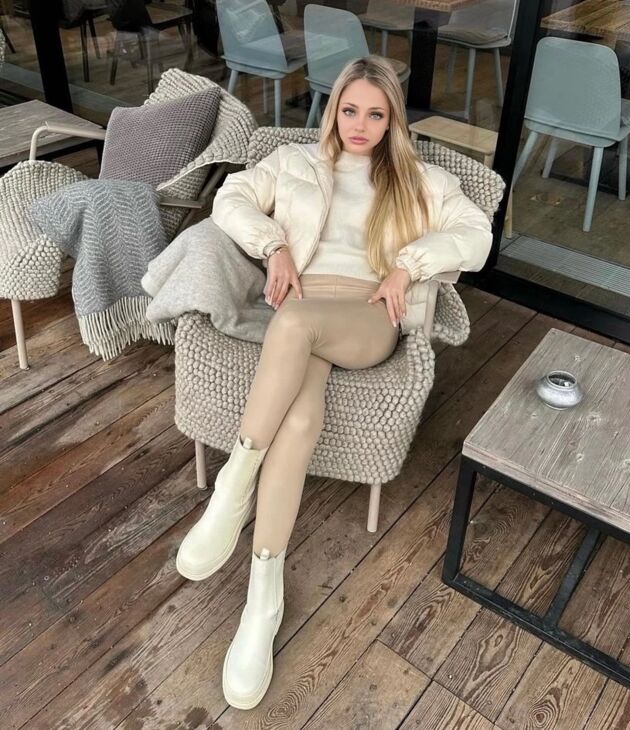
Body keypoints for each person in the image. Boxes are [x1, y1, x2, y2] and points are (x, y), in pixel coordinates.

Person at [175, 55, 493, 710]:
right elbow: (231, 197)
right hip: (303, 306)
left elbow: (476, 235)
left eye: (376, 114)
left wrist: (409, 265)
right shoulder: (294, 162)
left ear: (392, 119)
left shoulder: (420, 179)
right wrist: (274, 246)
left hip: (365, 316)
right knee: (297, 416)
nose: (361, 125)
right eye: (351, 109)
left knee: (293, 325)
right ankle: (262, 597)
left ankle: (234, 487)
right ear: (334, 109)